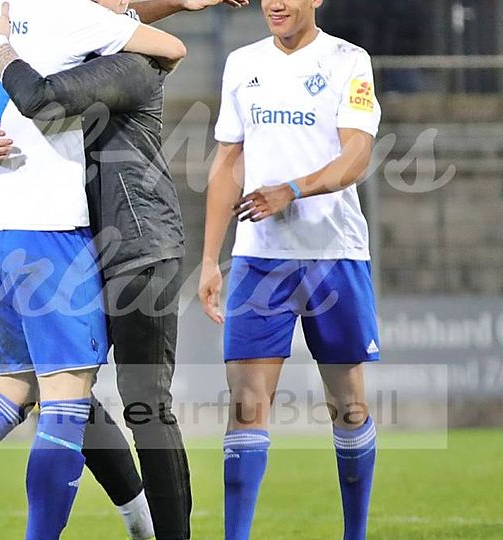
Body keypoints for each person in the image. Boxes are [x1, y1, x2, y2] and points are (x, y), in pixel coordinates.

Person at [0, 1, 187, 539]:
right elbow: (170, 46)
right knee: (67, 404)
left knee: (9, 393)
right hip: (50, 231)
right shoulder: (67, 13)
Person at [197, 1, 381, 539]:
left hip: (334, 256)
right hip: (260, 260)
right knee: (246, 409)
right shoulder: (242, 63)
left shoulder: (348, 61)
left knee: (348, 408)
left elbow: (357, 155)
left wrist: (293, 190)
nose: (275, 3)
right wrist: (209, 258)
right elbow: (227, 163)